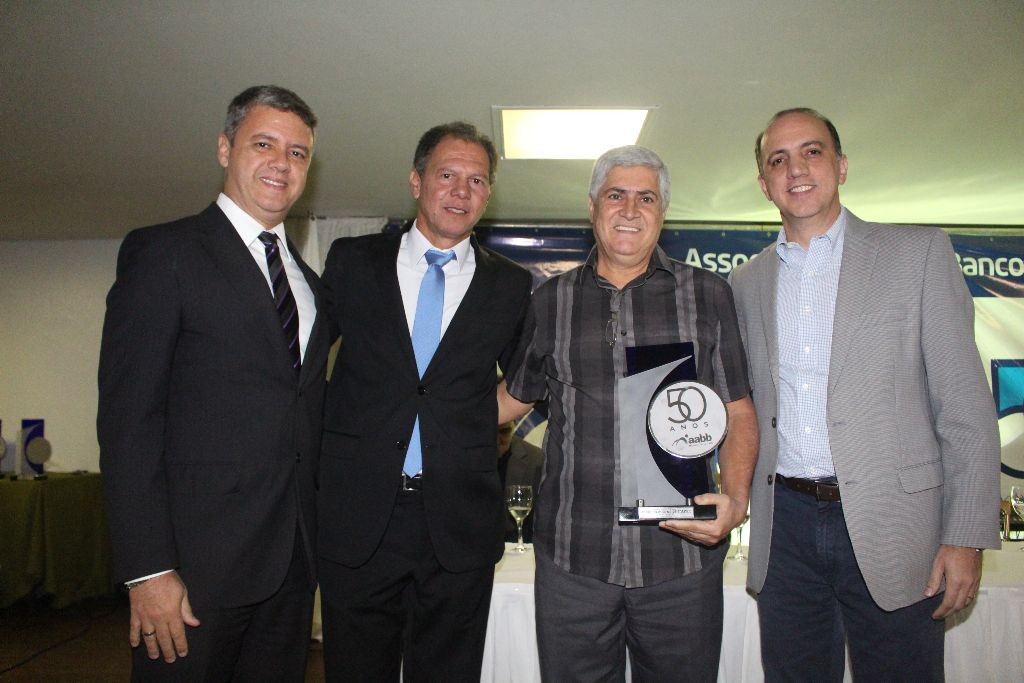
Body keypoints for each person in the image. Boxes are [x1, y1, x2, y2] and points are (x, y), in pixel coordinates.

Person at [730, 107, 1002, 681]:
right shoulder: (745, 282)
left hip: (897, 525)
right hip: (786, 529)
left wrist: (965, 537)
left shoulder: (917, 254)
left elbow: (965, 407)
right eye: (778, 160)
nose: (796, 169)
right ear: (764, 184)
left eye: (812, 151)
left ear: (842, 165)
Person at [498, 145, 758, 681]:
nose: (630, 209)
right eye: (616, 195)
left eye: (647, 198)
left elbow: (738, 410)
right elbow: (514, 397)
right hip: (574, 560)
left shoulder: (708, 295)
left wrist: (736, 501)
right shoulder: (550, 302)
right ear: (592, 206)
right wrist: (425, 407)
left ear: (663, 211)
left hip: (680, 562)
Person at [97, 85, 329, 681]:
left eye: (298, 152)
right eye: (263, 144)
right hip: (192, 576)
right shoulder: (164, 253)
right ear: (225, 149)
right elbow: (128, 422)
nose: (282, 162)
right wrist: (148, 570)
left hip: (291, 569)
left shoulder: (310, 285)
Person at [316, 121, 532, 682]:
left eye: (476, 180)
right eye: (447, 175)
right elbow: (302, 367)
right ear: (416, 181)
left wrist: (469, 420)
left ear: (488, 194)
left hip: (459, 523)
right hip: (358, 516)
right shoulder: (353, 260)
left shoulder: (509, 284)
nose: (461, 191)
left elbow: (529, 382)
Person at [497, 418, 543, 542]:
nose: (498, 440)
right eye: (490, 433)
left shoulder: (536, 460)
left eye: (504, 431)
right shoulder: (460, 457)